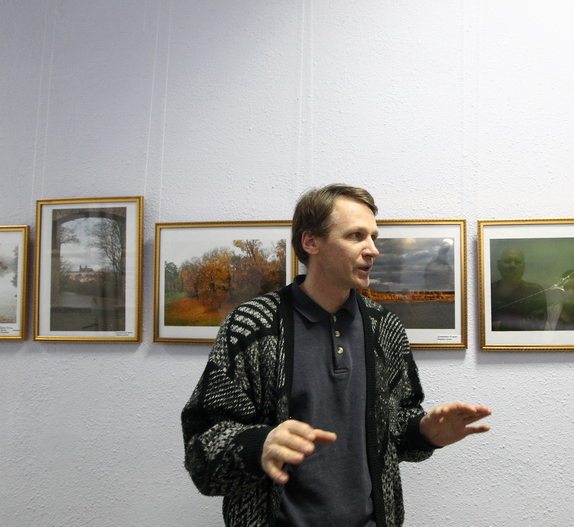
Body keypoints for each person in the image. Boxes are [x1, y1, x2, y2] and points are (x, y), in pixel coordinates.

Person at [181, 184, 491, 527]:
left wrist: (424, 432)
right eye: (356, 236)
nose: (373, 249)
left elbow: (397, 433)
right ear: (311, 242)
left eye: (373, 237)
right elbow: (202, 449)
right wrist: (260, 445)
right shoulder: (252, 325)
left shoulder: (385, 328)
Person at [490, 245, 547, 330]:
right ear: (499, 265)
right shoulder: (489, 291)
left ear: (523, 266)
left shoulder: (535, 292)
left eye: (517, 262)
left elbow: (537, 325)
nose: (512, 265)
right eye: (507, 261)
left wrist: (500, 325)